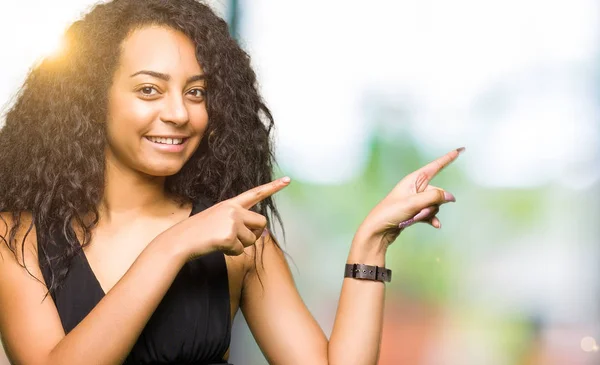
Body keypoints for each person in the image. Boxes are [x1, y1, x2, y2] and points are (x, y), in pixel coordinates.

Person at [0, 0, 463, 364]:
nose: (179, 113)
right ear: (91, 99)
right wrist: (171, 246)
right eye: (149, 90)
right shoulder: (15, 239)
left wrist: (371, 243)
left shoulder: (236, 237)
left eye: (196, 92)